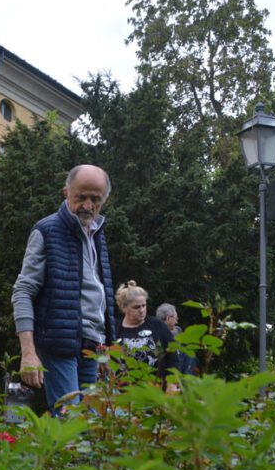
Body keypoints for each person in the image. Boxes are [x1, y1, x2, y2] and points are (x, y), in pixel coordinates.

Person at [12, 164, 116, 413]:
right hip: (59, 344)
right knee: (69, 423)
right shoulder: (46, 231)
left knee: (92, 425)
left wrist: (108, 347)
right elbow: (23, 291)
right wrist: (28, 352)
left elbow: (99, 296)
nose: (88, 206)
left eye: (96, 200)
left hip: (94, 347)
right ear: (66, 192)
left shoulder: (98, 234)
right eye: (81, 197)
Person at [115, 281, 174, 380]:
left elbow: (172, 356)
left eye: (144, 305)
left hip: (155, 387)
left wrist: (172, 384)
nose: (142, 310)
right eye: (136, 307)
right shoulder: (115, 328)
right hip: (121, 390)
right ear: (124, 307)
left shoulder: (157, 326)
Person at [155, 301, 198, 376]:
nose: (177, 321)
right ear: (168, 318)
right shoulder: (157, 337)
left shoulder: (178, 331)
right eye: (175, 317)